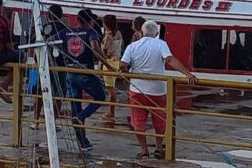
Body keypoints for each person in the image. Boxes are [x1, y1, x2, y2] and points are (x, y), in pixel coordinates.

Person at [120, 20, 196, 159]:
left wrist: (128, 74)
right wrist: (187, 73)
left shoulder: (132, 46)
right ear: (156, 33)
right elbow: (169, 60)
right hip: (158, 90)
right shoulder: (161, 44)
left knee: (138, 121)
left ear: (142, 32)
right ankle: (159, 147)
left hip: (137, 89)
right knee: (160, 120)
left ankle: (144, 150)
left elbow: (123, 64)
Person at [60, 9, 113, 150]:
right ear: (90, 21)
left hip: (70, 73)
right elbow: (96, 48)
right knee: (100, 97)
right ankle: (83, 116)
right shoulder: (91, 33)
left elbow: (50, 40)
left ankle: (83, 143)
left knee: (75, 107)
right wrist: (107, 65)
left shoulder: (65, 32)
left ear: (77, 20)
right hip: (86, 72)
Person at [101, 14, 123, 121]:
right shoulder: (118, 33)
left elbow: (104, 50)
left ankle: (111, 112)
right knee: (112, 88)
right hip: (116, 61)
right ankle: (111, 111)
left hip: (109, 62)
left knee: (110, 90)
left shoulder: (109, 35)